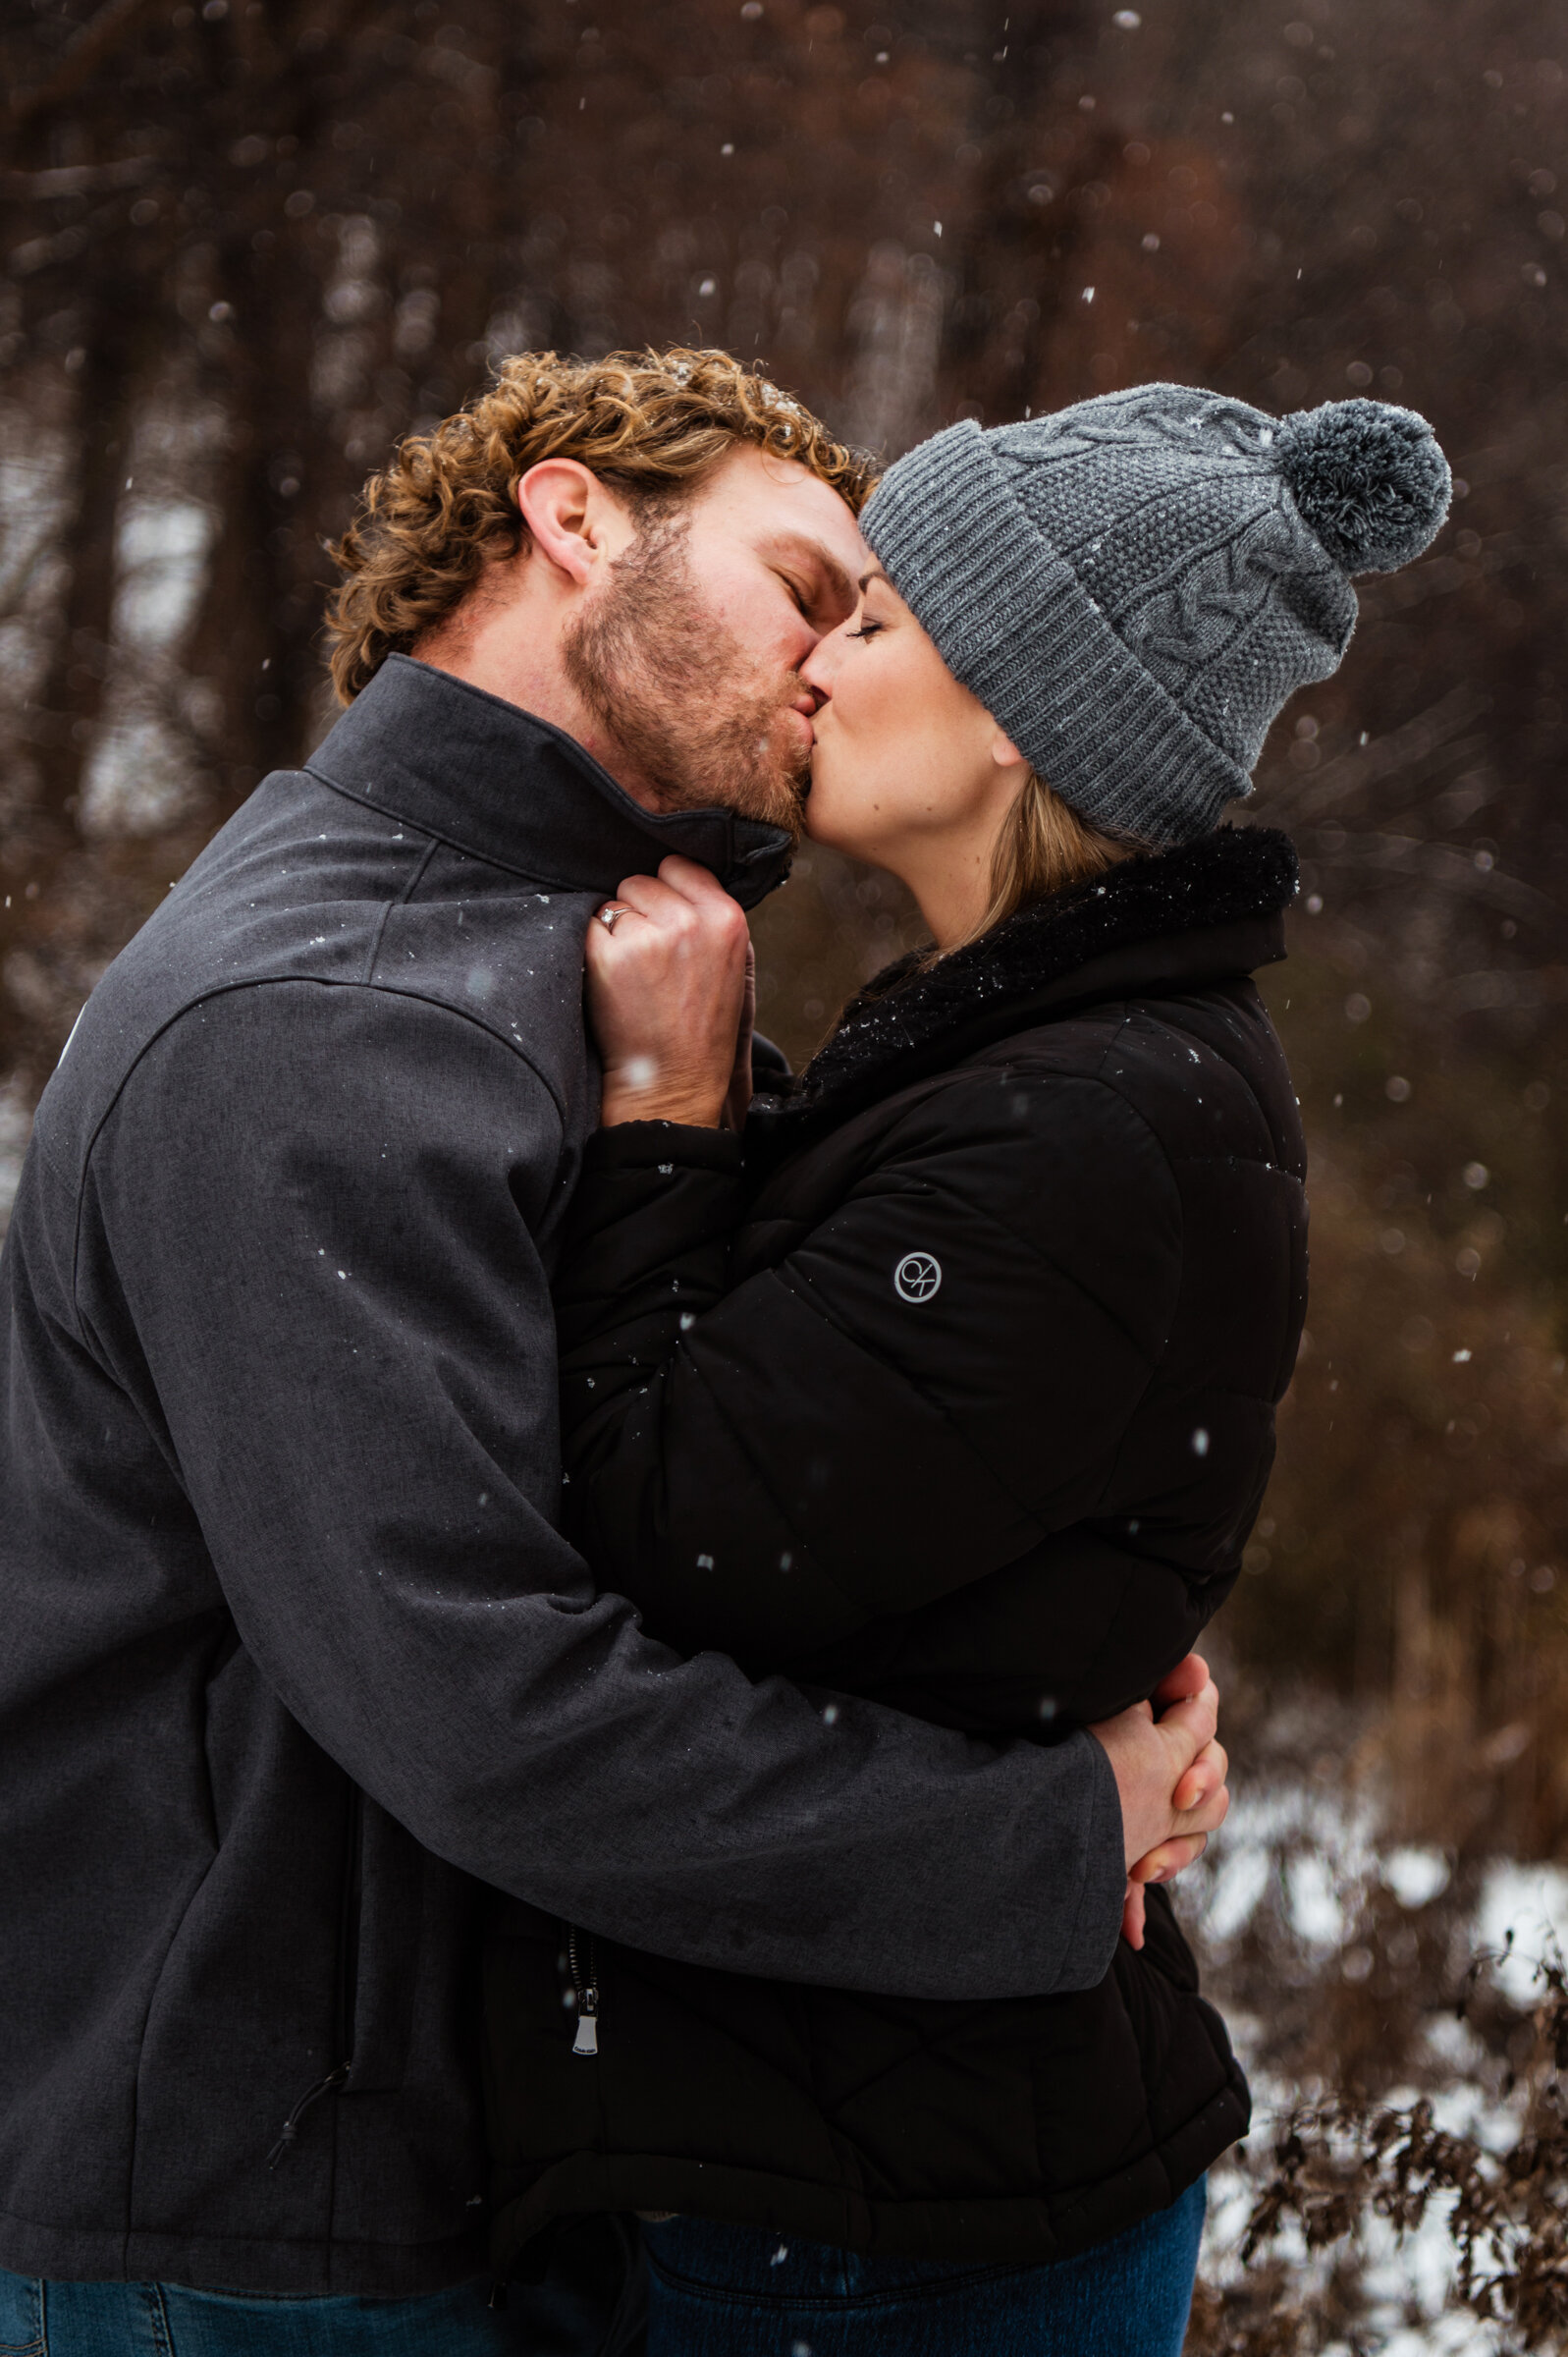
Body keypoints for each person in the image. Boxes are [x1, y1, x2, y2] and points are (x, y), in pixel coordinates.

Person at [0, 351, 1225, 2357]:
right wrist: (1035, 1842)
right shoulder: (320, 1022)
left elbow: (709, 1488)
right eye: (807, 584)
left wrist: (1062, 1623)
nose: (836, 660)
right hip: (255, 2221)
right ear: (574, 521)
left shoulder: (581, 950)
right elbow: (487, 1696)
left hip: (477, 2164)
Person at [481, 385, 1453, 2353]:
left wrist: (664, 1119)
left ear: (1017, 707)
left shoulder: (1084, 1116)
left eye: (880, 623)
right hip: (865, 2152)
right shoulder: (1019, 1050)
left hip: (899, 2232)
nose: (814, 659)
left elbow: (677, 1533)